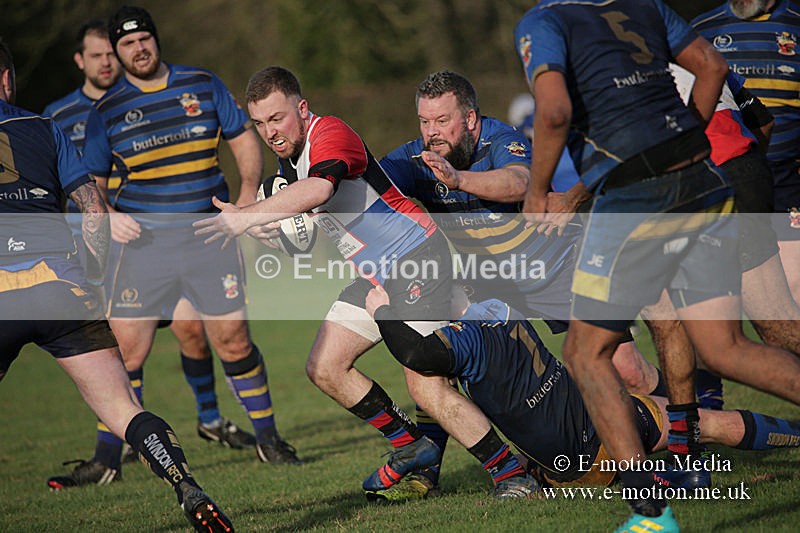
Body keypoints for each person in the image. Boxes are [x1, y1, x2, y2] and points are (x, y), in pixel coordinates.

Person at [515, 1, 800, 530]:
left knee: (585, 352)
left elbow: (553, 113)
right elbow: (712, 66)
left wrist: (537, 193)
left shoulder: (543, 21)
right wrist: (687, 139)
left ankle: (651, 515)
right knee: (724, 349)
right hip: (705, 178)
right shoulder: (645, 6)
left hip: (637, 197)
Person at [194, 66, 539, 499]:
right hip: (375, 273)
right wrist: (274, 234)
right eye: (260, 123)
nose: (270, 133)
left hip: (415, 258)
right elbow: (313, 228)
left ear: (302, 109)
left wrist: (246, 218)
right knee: (324, 366)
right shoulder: (289, 159)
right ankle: (411, 445)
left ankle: (511, 474)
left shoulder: (330, 133)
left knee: (426, 384)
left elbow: (320, 190)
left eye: (277, 119)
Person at [377, 71, 664, 499]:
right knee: (436, 363)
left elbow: (520, 182)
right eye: (424, 121)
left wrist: (458, 179)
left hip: (554, 271)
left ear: (470, 119)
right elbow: (367, 181)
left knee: (628, 371)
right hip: (490, 287)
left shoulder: (501, 139)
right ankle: (431, 469)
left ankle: (687, 433)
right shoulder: (418, 157)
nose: (432, 132)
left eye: (442, 120)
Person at [54, 6, 300, 490]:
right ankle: (106, 459)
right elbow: (93, 185)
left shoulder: (202, 84)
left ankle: (269, 439)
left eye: (143, 39)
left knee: (232, 340)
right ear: (118, 52)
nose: (138, 49)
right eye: (127, 44)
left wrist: (246, 197)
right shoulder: (107, 111)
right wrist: (111, 215)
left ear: (156, 39)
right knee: (125, 350)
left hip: (210, 239)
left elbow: (242, 140)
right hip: (143, 251)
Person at [0, 38, 233, 532]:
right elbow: (93, 210)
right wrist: (91, 277)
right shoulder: (45, 126)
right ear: (6, 79)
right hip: (61, 288)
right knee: (124, 407)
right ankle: (186, 485)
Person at [366, 285, 800, 494]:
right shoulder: (502, 306)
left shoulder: (464, 341)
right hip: (605, 420)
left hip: (574, 462)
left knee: (660, 439)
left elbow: (416, 353)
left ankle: (666, 480)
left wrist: (382, 310)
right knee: (706, 423)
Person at [692, 0, 800, 306]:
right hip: (731, 173)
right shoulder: (701, 29)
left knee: (793, 284)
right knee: (734, 291)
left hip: (788, 173)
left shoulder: (795, 22)